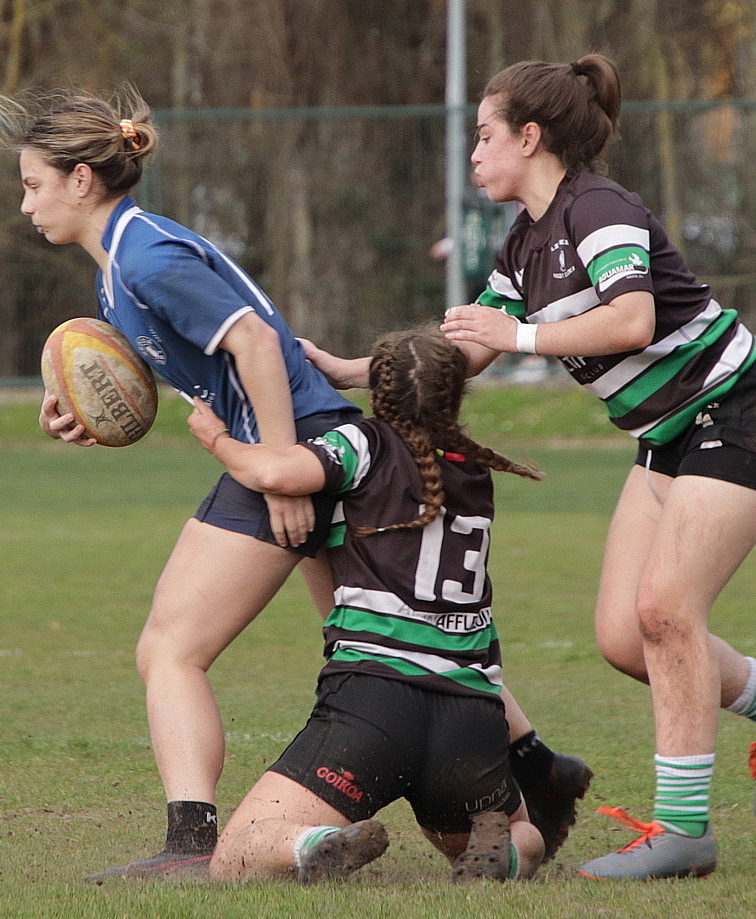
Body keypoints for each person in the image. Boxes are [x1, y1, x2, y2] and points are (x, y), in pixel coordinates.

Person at [0, 85, 589, 878]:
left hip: (298, 445)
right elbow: (173, 356)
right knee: (374, 641)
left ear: (82, 181)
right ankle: (534, 767)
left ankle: (191, 843)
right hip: (311, 442)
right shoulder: (124, 263)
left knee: (170, 647)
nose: (24, 204)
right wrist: (83, 406)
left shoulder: (144, 254)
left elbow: (255, 341)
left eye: (32, 183)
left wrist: (286, 473)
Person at [308, 54, 756, 881]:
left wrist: (515, 336)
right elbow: (471, 344)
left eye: (484, 136)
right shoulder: (524, 240)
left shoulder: (599, 208)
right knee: (626, 637)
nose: (474, 154)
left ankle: (684, 833)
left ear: (530, 135)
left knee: (665, 611)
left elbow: (631, 318)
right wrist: (344, 367)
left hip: (740, 409)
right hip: (670, 433)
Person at [187, 327, 546, 883]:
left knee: (238, 857)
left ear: (377, 393)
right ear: (456, 395)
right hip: (472, 716)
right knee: (512, 833)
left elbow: (274, 473)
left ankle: (317, 845)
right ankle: (514, 854)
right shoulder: (471, 470)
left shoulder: (363, 443)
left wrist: (216, 437)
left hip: (375, 705)